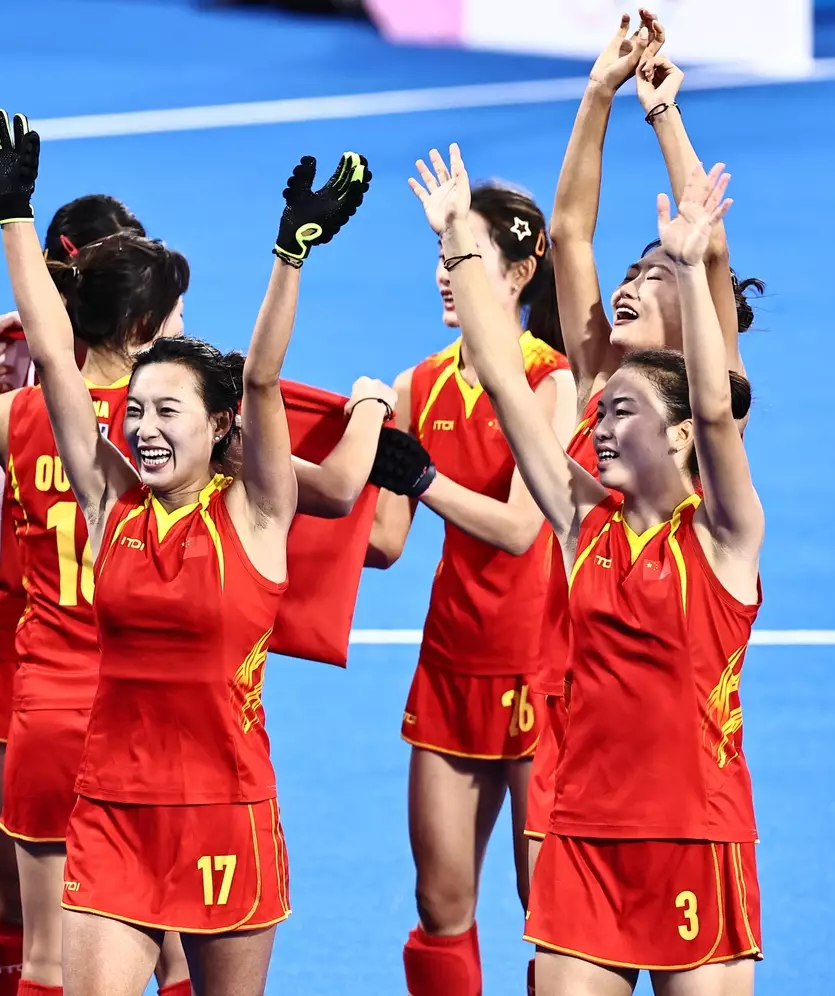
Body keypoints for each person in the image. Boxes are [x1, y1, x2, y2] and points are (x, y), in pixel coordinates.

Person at [0, 109, 369, 996]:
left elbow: (259, 378)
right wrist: (13, 215)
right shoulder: (110, 504)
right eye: (135, 410)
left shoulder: (259, 509)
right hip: (109, 809)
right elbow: (60, 366)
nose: (140, 428)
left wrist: (290, 253)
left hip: (226, 810)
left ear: (219, 428)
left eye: (164, 414)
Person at [413, 143, 762, 994]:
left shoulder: (725, 538)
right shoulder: (580, 523)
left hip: (696, 836)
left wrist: (691, 259)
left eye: (624, 412)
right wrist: (460, 233)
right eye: (600, 411)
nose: (599, 426)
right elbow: (501, 373)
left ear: (678, 437)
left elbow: (716, 405)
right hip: (579, 835)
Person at [525, 11, 763, 900]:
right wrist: (599, 94)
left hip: (648, 699)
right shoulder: (596, 377)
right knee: (551, 933)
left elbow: (710, 253)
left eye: (650, 279)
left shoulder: (709, 409)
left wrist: (666, 120)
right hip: (563, 677)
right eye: (630, 277)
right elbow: (569, 235)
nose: (628, 285)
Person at [0, 194, 157, 996]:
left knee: (132, 925)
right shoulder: (16, 363)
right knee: (16, 904)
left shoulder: (158, 384)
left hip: (86, 654)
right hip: (13, 634)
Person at [363, 182, 577, 996]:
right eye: (442, 258)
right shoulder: (418, 383)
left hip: (540, 671)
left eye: (468, 256)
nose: (446, 275)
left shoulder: (549, 382)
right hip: (452, 666)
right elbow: (383, 543)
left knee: (546, 910)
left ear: (520, 273)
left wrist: (422, 480)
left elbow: (523, 527)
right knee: (439, 904)